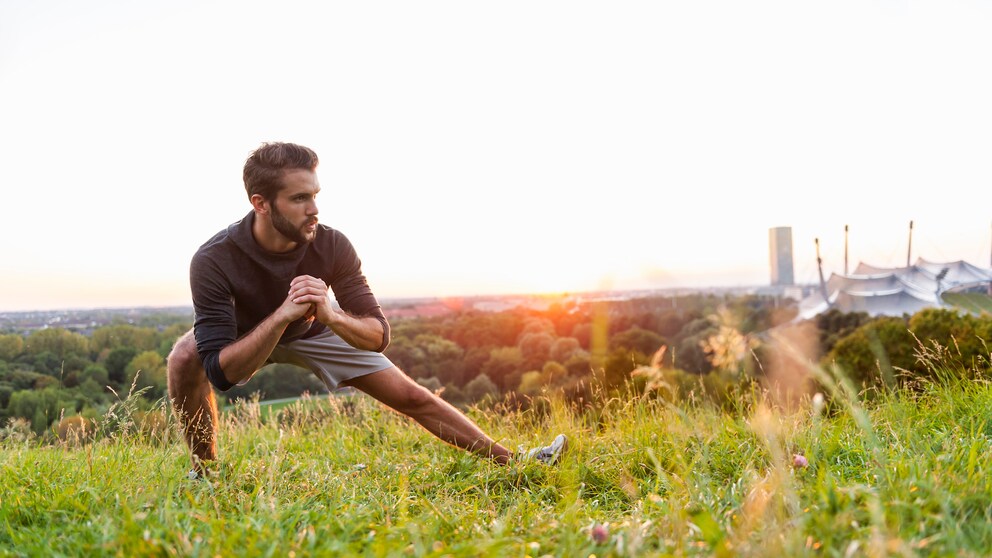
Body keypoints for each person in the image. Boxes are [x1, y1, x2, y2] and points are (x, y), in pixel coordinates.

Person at [166, 142, 566, 477]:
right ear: (261, 203)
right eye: (299, 198)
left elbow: (379, 335)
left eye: (315, 196)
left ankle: (518, 462)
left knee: (412, 396)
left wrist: (333, 316)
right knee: (185, 358)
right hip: (248, 335)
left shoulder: (333, 245)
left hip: (311, 330)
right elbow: (224, 374)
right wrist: (282, 314)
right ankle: (207, 476)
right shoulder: (214, 259)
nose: (314, 209)